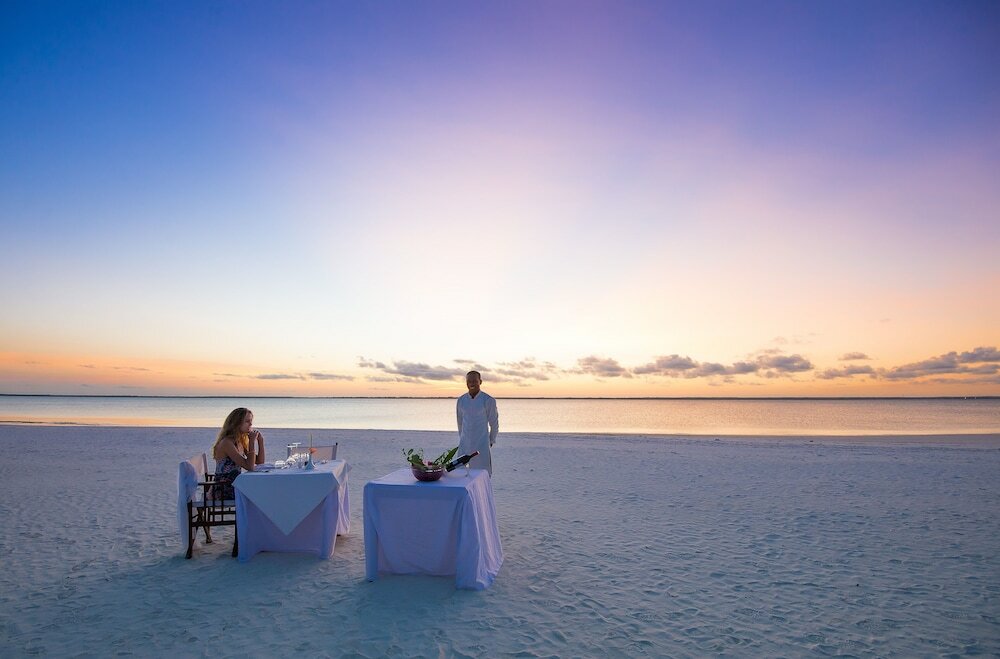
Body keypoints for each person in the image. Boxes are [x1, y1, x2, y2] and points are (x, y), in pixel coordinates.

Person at [210, 407, 265, 499]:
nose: (251, 424)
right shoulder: (227, 443)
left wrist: (260, 441)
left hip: (235, 484)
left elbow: (259, 462)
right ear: (237, 424)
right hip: (224, 488)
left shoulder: (239, 441)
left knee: (262, 490)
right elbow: (250, 467)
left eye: (251, 421)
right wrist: (251, 442)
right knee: (259, 493)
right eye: (247, 421)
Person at [456, 371, 499, 475]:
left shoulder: (488, 400)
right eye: (469, 381)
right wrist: (462, 437)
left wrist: (492, 439)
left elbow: (494, 423)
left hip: (482, 443)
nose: (471, 383)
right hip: (464, 443)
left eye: (474, 381)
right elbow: (460, 422)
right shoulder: (461, 400)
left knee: (482, 473)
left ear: (480, 382)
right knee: (461, 473)